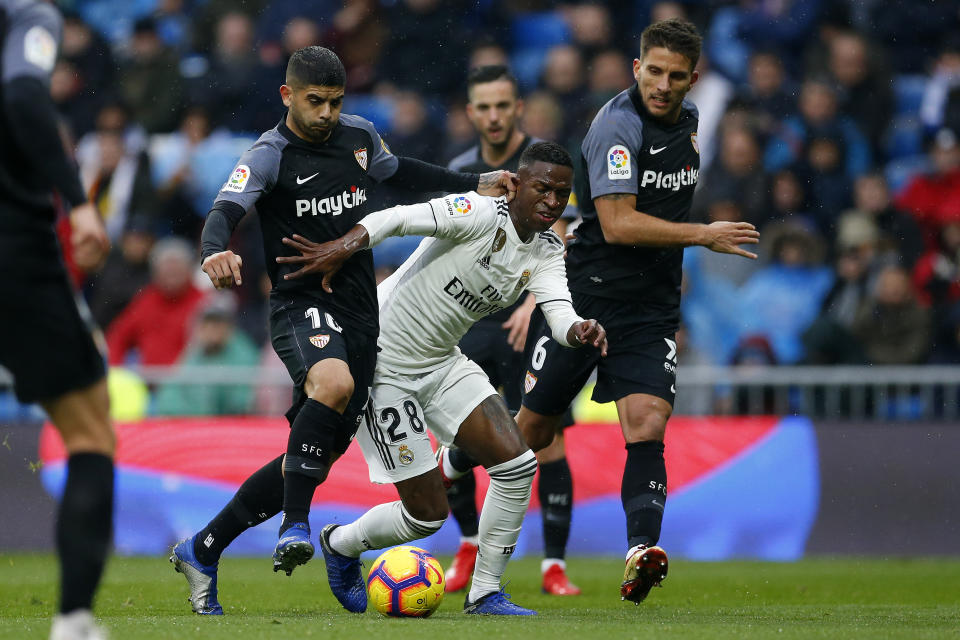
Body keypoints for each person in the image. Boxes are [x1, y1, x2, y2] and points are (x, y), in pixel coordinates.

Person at [169, 46, 514, 615]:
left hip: (360, 312)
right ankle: (298, 527)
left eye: (334, 101)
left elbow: (401, 174)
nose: (326, 113)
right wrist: (213, 252)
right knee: (330, 385)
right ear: (287, 96)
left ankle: (202, 549)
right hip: (300, 304)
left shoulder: (359, 137)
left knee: (309, 457)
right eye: (315, 101)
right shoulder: (269, 154)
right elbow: (226, 209)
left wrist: (473, 183)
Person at [278, 142, 606, 615]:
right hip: (383, 361)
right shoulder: (476, 211)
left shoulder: (548, 251)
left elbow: (559, 312)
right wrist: (341, 247)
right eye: (543, 188)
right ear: (518, 183)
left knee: (517, 466)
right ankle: (341, 543)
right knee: (426, 516)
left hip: (442, 362)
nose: (553, 201)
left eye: (562, 192)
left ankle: (486, 593)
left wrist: (579, 330)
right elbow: (396, 217)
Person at [516, 19, 758, 604]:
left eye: (677, 77)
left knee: (648, 423)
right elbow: (619, 224)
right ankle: (451, 463)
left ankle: (640, 550)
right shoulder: (616, 127)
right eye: (654, 72)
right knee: (528, 434)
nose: (664, 85)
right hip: (586, 299)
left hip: (650, 307)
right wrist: (703, 234)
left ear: (693, 80)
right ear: (636, 69)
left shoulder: (692, 123)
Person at [441, 64, 582, 596]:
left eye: (504, 105)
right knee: (461, 436)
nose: (495, 116)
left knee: (547, 441)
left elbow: (562, 233)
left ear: (518, 107)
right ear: (472, 111)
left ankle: (553, 565)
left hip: (534, 321)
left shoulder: (546, 163)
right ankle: (470, 544)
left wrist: (531, 300)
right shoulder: (461, 169)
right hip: (474, 321)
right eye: (485, 106)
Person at [0, 2, 114, 638]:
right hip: (14, 256)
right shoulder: (26, 17)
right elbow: (21, 94)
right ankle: (74, 622)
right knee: (91, 430)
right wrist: (79, 203)